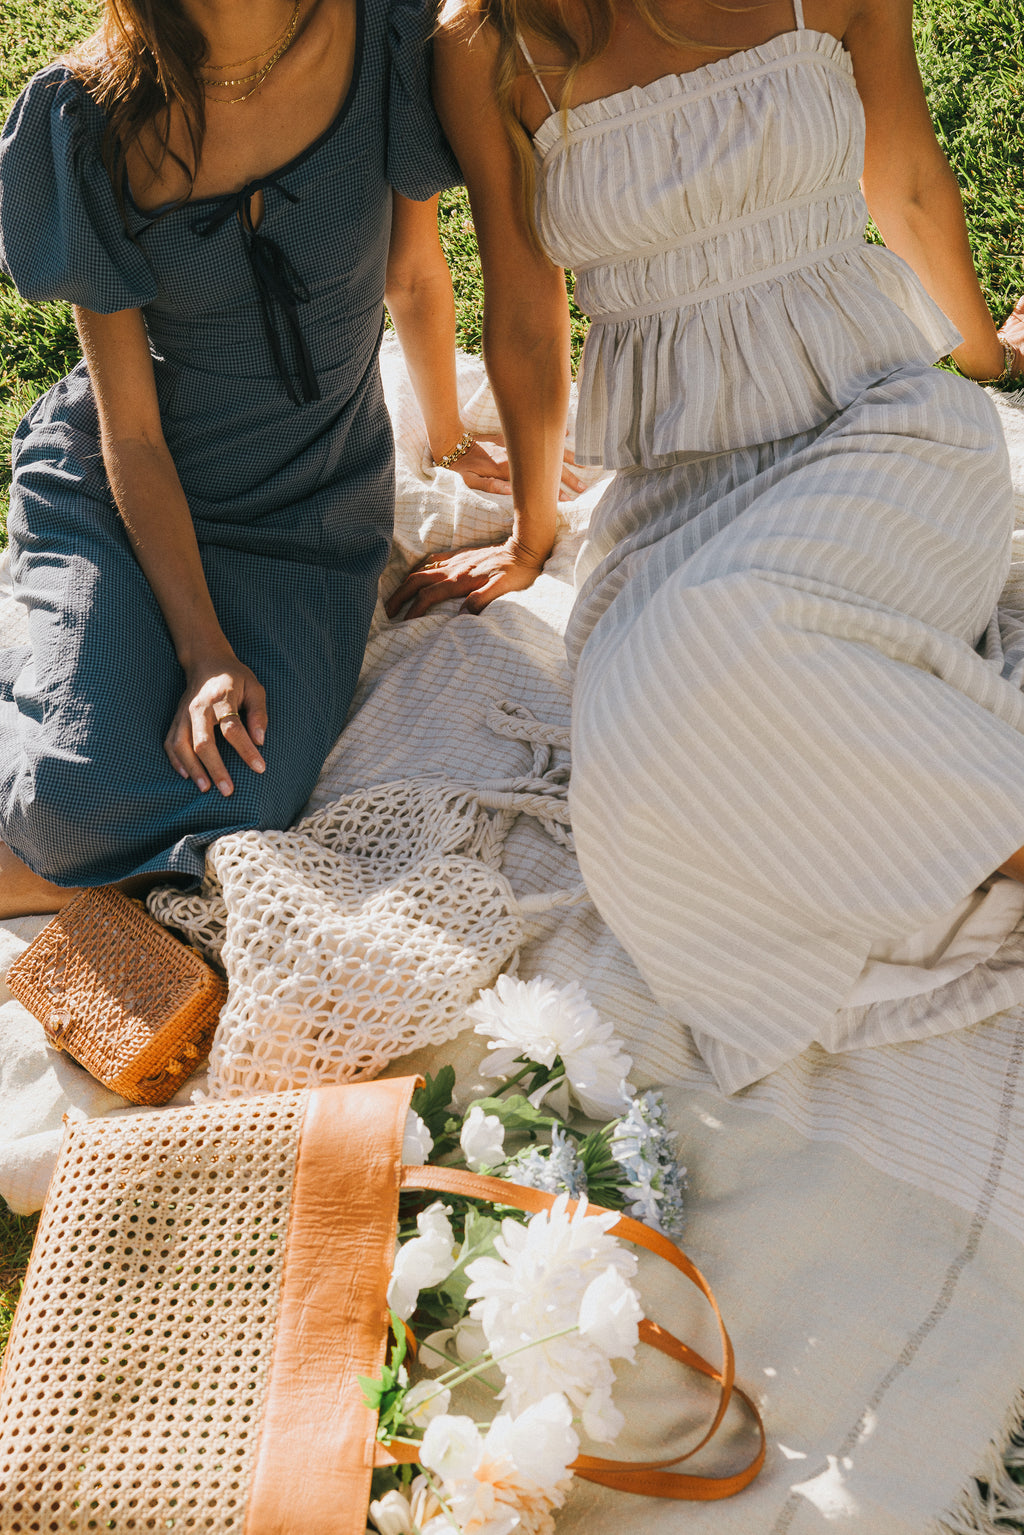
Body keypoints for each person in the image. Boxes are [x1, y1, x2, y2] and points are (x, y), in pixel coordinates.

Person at [389, 0, 1024, 1092]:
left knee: (715, 639)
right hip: (682, 491)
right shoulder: (486, 43)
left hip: (881, 435)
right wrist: (535, 538)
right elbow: (529, 314)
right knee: (631, 741)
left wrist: (988, 362)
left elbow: (909, 182)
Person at [0, 0, 509, 919]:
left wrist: (450, 436)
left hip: (310, 520)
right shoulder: (91, 117)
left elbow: (412, 271)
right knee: (67, 801)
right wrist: (204, 652)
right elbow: (133, 434)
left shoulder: (384, 33)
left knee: (249, 796)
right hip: (132, 492)